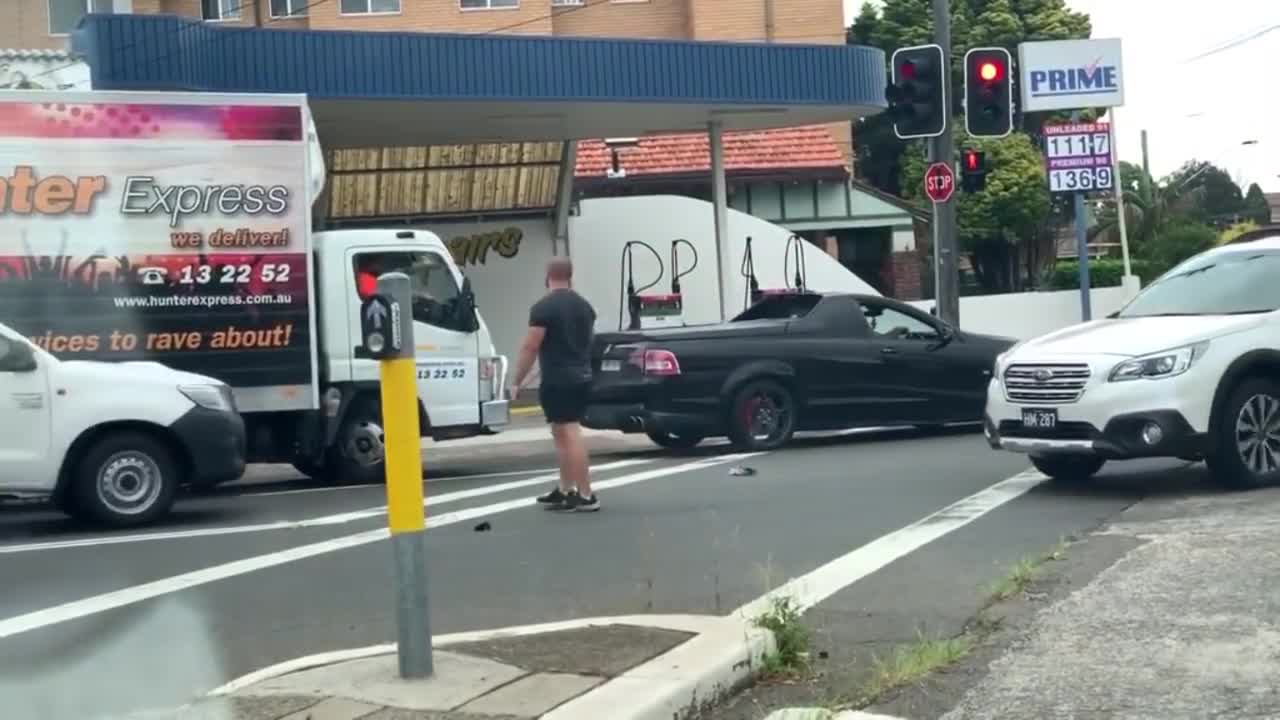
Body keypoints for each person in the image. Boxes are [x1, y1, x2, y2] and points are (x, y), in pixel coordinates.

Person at [512, 257, 599, 512]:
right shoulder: (585, 307)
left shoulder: (543, 308)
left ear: (547, 276)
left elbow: (531, 346)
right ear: (570, 276)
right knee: (560, 431)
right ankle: (566, 489)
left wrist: (516, 381)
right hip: (581, 375)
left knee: (569, 431)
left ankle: (586, 494)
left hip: (558, 380)